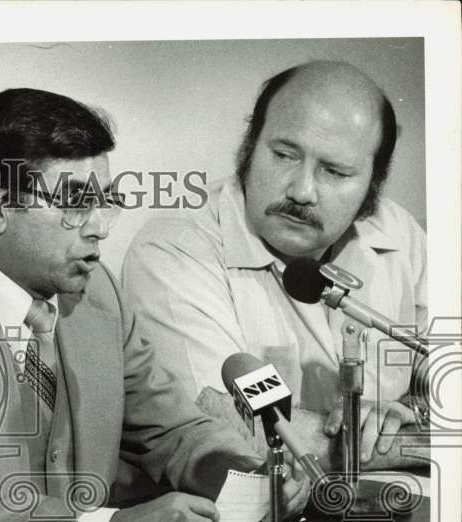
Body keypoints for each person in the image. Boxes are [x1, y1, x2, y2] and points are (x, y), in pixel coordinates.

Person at [0, 88, 305, 522]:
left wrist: (247, 474)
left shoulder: (98, 293)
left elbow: (174, 429)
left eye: (106, 202)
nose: (100, 226)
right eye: (76, 203)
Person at [124, 61, 427, 469]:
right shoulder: (172, 249)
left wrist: (398, 417)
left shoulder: (400, 234)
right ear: (250, 147)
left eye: (335, 172)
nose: (302, 191)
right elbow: (229, 428)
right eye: (284, 154)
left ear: (373, 183)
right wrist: (416, 445)